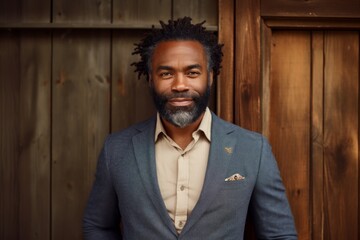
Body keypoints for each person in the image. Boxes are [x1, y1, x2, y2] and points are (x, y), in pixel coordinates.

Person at [83, 17, 297, 239]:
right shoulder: (116, 150)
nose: (179, 85)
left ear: (210, 76)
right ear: (150, 79)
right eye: (166, 74)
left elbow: (279, 235)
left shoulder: (253, 150)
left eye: (192, 73)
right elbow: (98, 226)